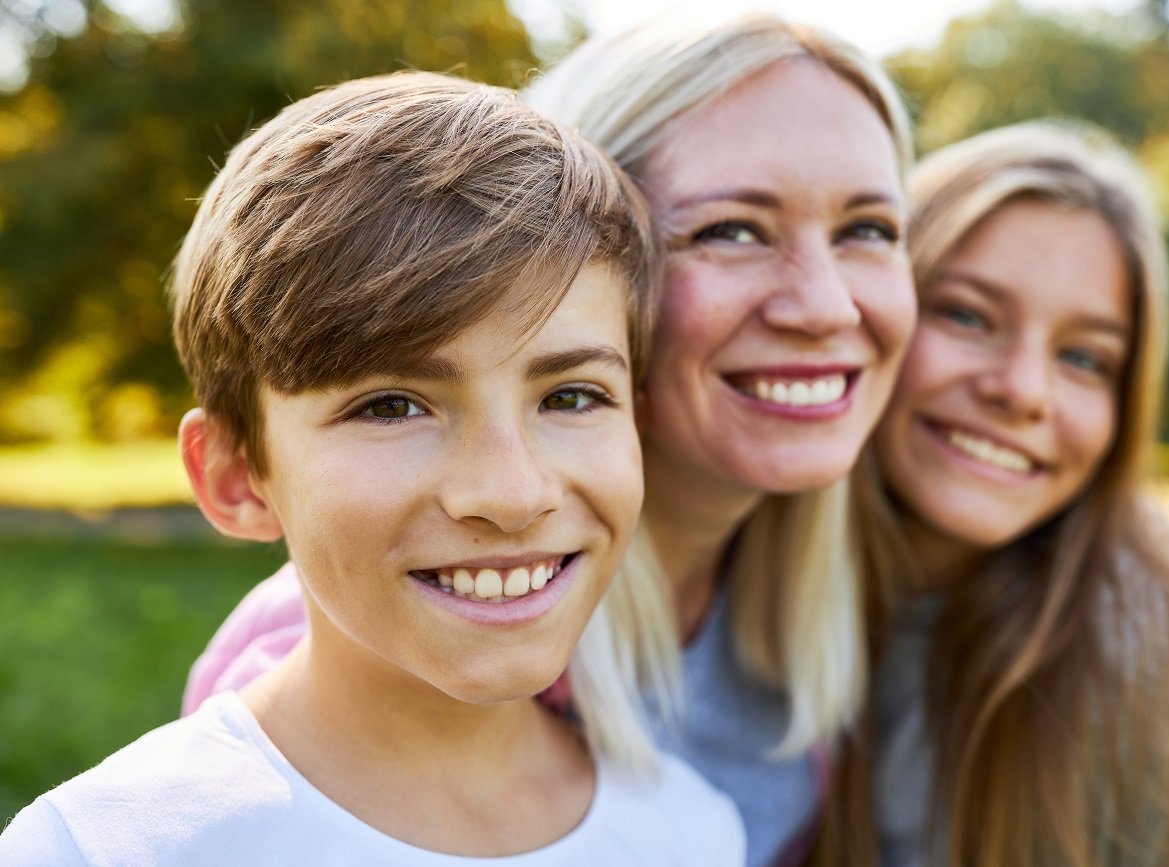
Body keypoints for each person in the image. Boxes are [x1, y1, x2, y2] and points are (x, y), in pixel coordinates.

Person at [181, 17, 917, 866]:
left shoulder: (822, 577)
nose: (827, 306)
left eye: (868, 229)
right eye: (732, 230)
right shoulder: (405, 630)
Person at [0, 71, 747, 865]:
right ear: (235, 475)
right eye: (392, 406)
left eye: (570, 395)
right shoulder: (101, 847)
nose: (511, 492)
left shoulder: (694, 832)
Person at [815, 121, 1169, 867]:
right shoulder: (728, 575)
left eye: (1083, 357)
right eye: (968, 315)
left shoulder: (1158, 669)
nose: (1023, 391)